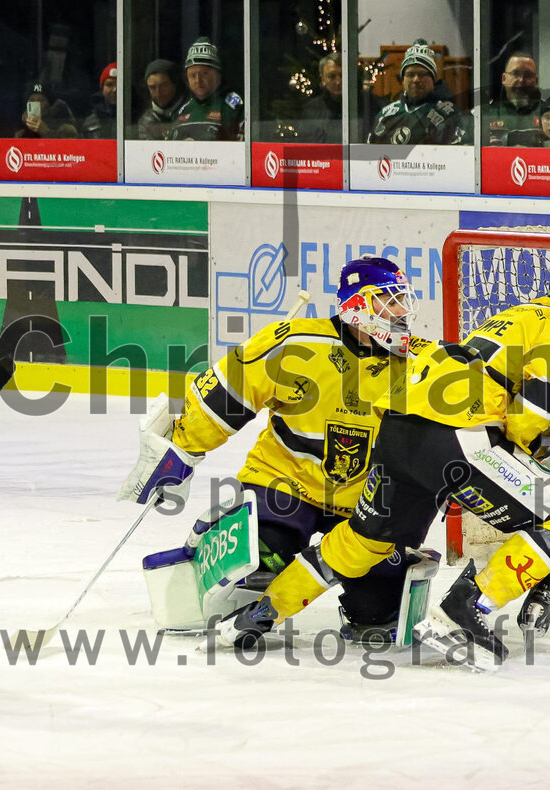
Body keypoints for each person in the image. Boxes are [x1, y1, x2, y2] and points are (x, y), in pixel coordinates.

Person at [218, 253, 550, 672]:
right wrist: (525, 466)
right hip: (459, 440)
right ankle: (465, 612)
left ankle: (264, 611)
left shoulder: (518, 314)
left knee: (363, 541)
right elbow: (532, 416)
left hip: (399, 434)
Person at [119, 257, 435, 640]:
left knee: (380, 611)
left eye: (403, 300)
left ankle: (373, 600)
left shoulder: (423, 364)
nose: (402, 312)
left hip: (364, 502)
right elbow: (223, 395)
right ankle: (227, 550)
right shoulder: (295, 344)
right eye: (390, 300)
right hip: (285, 483)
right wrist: (180, 453)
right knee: (261, 557)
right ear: (358, 307)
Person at [367, 39, 469, 145]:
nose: (416, 80)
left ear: (433, 79)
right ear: (403, 79)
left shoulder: (449, 115)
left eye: (422, 74)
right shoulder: (386, 116)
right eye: (410, 74)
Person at [168, 37, 244, 141]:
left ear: (218, 74)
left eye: (204, 73)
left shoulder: (233, 106)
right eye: (193, 75)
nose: (198, 80)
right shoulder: (183, 109)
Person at [484, 51, 543, 146]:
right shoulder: (485, 113)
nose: (521, 80)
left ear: (536, 81)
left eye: (528, 75)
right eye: (515, 73)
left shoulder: (547, 113)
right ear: (504, 78)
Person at [138, 59, 188, 140]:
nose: (158, 93)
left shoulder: (191, 112)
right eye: (152, 88)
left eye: (164, 86)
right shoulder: (146, 121)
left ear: (175, 84)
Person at [300, 53, 343, 143]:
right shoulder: (312, 109)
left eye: (343, 75)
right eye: (332, 76)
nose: (338, 82)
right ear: (323, 79)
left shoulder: (365, 105)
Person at [81, 62, 117, 139]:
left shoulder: (134, 118)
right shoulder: (90, 122)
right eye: (109, 85)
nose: (115, 89)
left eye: (119, 84)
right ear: (102, 88)